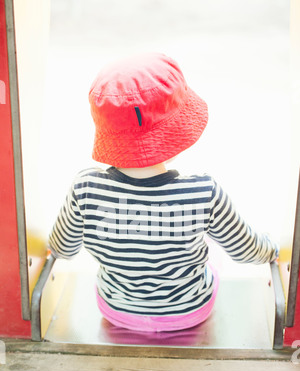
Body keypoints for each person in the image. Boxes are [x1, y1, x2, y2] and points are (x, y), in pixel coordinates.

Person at [48, 52, 278, 333]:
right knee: (212, 253)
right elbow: (245, 251)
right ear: (175, 130)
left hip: (117, 310)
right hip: (189, 312)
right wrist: (272, 249)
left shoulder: (84, 189)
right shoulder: (202, 192)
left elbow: (62, 248)